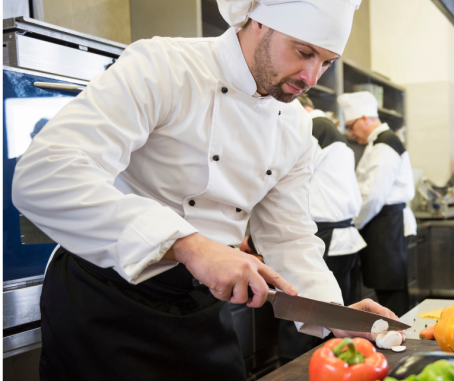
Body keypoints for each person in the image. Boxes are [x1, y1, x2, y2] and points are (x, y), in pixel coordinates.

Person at [12, 1, 403, 379]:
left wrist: (332, 313)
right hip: (104, 298)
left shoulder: (296, 127)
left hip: (200, 304)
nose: (311, 77)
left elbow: (289, 236)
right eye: (303, 52)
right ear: (259, 22)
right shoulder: (164, 67)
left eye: (326, 62)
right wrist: (190, 245)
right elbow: (45, 174)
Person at [242, 94, 367, 364]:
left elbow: (277, 191)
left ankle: (294, 365)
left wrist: (250, 242)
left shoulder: (311, 125)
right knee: (321, 311)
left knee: (297, 309)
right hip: (342, 236)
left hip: (321, 233)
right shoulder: (331, 132)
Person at [338, 91, 417, 317]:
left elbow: (373, 196)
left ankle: (400, 342)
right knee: (388, 287)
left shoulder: (385, 145)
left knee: (390, 290)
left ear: (365, 118)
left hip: (385, 223)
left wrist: (353, 223)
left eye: (351, 126)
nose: (351, 133)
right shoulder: (378, 143)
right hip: (383, 223)